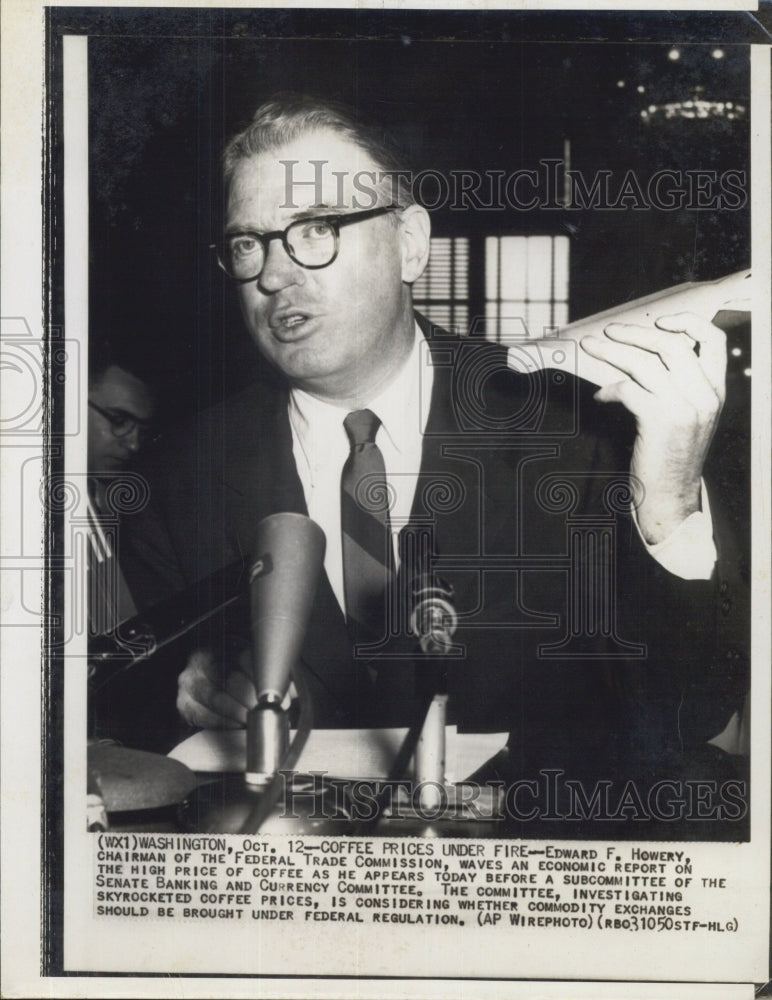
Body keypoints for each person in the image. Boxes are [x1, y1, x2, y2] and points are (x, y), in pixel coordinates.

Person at [123, 95, 747, 831]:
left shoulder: (580, 430)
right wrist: (188, 686)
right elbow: (128, 732)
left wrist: (669, 503)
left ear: (411, 243)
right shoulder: (183, 473)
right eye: (247, 244)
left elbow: (692, 711)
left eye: (316, 229)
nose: (275, 276)